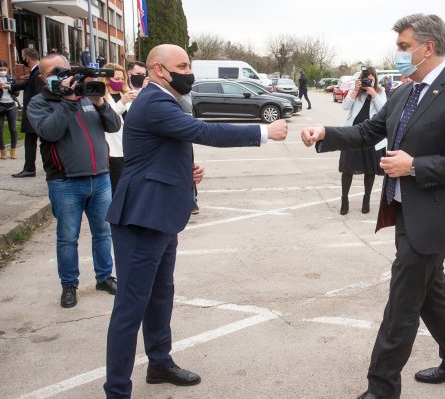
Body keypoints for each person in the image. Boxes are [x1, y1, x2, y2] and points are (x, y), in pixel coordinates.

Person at [301, 13, 445, 399]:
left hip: (437, 216)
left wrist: (415, 166)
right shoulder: (404, 92)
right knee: (432, 290)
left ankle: (381, 388)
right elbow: (368, 132)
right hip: (405, 210)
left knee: (403, 303)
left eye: (404, 47)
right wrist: (325, 133)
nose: (399, 54)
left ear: (428, 48)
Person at [103, 44, 287, 399]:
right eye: (182, 65)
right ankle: (116, 391)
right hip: (141, 217)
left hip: (161, 214)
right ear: (158, 70)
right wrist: (263, 132)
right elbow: (202, 131)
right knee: (130, 306)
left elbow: (160, 149)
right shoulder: (155, 101)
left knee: (160, 295)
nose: (189, 72)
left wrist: (185, 171)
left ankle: (159, 363)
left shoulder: (164, 99)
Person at [26, 53, 122, 308]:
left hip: (100, 179)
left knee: (103, 233)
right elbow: (49, 132)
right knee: (68, 238)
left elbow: (114, 126)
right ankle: (69, 285)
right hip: (65, 183)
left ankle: (104, 277)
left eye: (64, 69)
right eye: (54, 71)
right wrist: (68, 101)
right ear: (42, 77)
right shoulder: (40, 102)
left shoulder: (87, 96)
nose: (61, 75)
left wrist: (100, 102)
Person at [339, 66, 387, 215]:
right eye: (366, 78)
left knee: (370, 170)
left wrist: (373, 93)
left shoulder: (380, 92)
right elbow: (345, 107)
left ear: (375, 80)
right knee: (347, 169)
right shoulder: (357, 91)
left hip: (371, 136)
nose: (368, 81)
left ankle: (366, 199)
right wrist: (354, 90)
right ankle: (344, 200)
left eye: (371, 79)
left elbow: (385, 110)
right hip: (353, 134)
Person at [101, 63, 137, 194]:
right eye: (116, 79)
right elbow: (107, 118)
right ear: (106, 80)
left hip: (129, 149)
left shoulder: (127, 95)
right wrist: (122, 102)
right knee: (115, 188)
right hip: (112, 151)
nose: (120, 82)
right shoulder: (101, 98)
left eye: (122, 79)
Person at [11, 48, 45, 178]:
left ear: (27, 58)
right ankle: (29, 167)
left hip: (34, 114)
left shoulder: (37, 73)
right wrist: (10, 86)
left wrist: (34, 111)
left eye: (22, 57)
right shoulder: (35, 72)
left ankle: (30, 168)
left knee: (34, 142)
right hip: (35, 114)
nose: (22, 59)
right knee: (33, 141)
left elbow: (38, 93)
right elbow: (27, 85)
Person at [0, 60, 19, 160]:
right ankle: (2, 151)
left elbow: (17, 93)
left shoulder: (11, 78)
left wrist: (9, 87)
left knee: (13, 129)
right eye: (0, 70)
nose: (3, 71)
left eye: (4, 69)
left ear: (7, 69)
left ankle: (13, 150)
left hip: (11, 105)